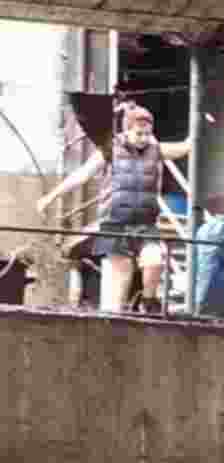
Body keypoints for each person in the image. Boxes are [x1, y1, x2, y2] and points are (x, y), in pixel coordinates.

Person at [37, 105, 192, 313]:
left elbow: (185, 147)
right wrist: (51, 196)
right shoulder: (110, 149)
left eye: (148, 134)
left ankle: (148, 300)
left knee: (155, 260)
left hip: (145, 224)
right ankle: (116, 318)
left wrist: (199, 125)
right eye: (139, 133)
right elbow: (82, 175)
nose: (144, 138)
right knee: (119, 288)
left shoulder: (156, 150)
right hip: (114, 225)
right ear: (127, 130)